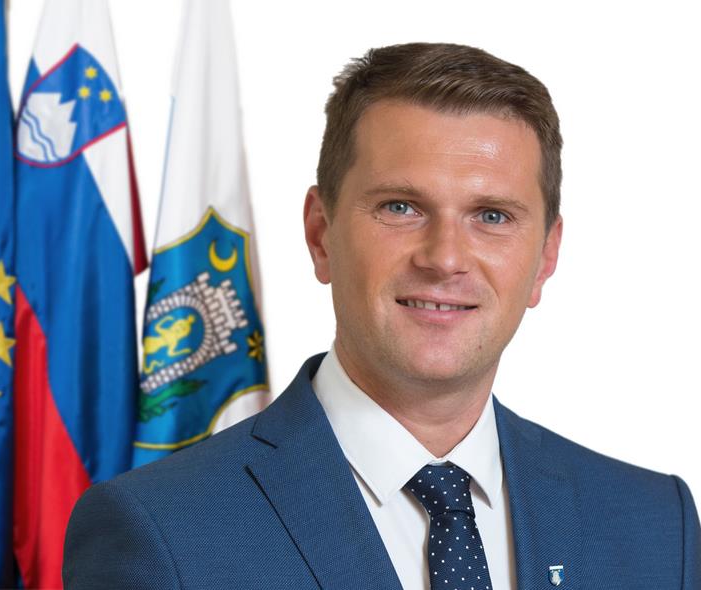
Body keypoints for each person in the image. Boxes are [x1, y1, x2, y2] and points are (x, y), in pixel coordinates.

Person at [63, 43, 700, 589]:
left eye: (492, 216)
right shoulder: (163, 530)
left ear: (545, 256)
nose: (445, 258)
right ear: (320, 234)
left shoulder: (654, 525)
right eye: (401, 207)